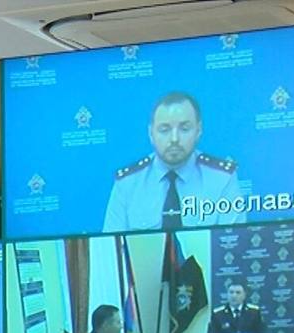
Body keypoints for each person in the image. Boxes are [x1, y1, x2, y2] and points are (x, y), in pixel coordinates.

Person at [104, 91, 242, 233]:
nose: (174, 139)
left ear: (198, 130)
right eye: (164, 130)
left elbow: (233, 241)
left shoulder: (222, 179)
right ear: (151, 133)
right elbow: (110, 243)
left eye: (184, 129)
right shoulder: (127, 183)